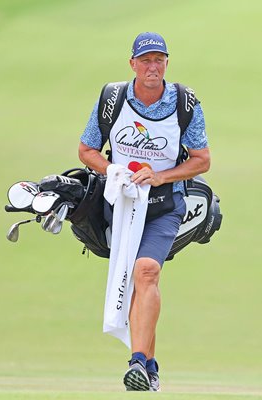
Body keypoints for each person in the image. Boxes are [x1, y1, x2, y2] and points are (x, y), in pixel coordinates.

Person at [78, 32, 210, 392]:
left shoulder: (185, 103)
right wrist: (113, 171)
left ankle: (137, 363)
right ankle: (150, 367)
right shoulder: (112, 99)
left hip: (165, 205)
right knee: (135, 280)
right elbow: (87, 150)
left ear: (167, 62)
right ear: (132, 64)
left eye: (159, 59)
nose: (153, 67)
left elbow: (202, 161)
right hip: (119, 205)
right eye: (146, 60)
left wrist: (162, 175)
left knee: (146, 271)